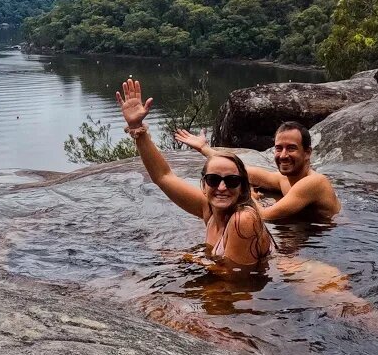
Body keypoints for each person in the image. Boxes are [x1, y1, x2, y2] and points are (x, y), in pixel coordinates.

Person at [116, 78, 271, 266]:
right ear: (204, 185)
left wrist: (188, 257)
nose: (222, 187)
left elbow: (236, 280)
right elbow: (163, 176)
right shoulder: (210, 210)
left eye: (231, 181)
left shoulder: (242, 219)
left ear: (243, 187)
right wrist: (137, 128)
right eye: (214, 180)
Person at [175, 121, 340, 222]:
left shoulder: (314, 182)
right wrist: (205, 149)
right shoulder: (283, 180)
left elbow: (263, 216)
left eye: (291, 148)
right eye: (278, 148)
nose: (283, 155)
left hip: (336, 238)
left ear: (307, 153)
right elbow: (242, 169)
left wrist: (250, 197)